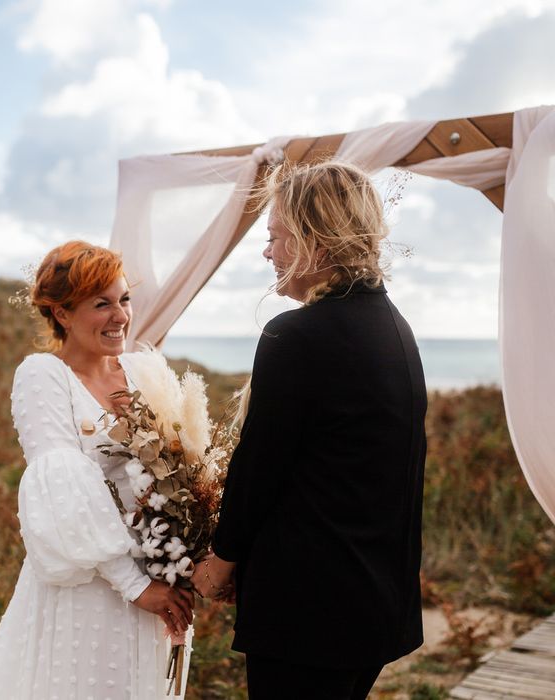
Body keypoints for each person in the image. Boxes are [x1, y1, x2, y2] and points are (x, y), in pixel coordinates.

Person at [191, 161, 427, 699]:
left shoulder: (298, 335)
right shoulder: (394, 328)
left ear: (314, 240)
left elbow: (260, 465)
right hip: (372, 602)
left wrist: (221, 563)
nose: (267, 251)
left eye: (274, 236)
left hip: (311, 609)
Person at [0, 241, 193, 700]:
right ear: (62, 313)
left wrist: (186, 563)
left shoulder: (144, 370)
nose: (120, 316)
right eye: (102, 304)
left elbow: (186, 476)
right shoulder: (43, 375)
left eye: (124, 300)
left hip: (160, 590)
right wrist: (135, 586)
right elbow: (62, 492)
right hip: (90, 592)